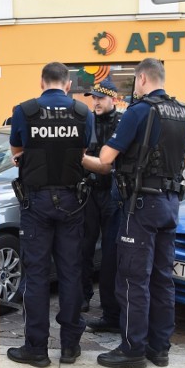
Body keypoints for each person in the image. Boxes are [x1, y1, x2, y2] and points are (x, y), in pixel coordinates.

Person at [83, 58, 185, 368]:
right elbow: (183, 162)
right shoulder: (181, 112)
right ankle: (159, 349)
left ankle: (133, 349)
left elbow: (105, 160)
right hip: (170, 203)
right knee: (162, 279)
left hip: (141, 205)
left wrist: (79, 158)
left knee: (133, 279)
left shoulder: (139, 111)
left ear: (142, 78)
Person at [7, 62, 92, 367]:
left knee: (37, 275)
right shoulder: (83, 113)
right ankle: (69, 347)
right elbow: (84, 151)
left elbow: (16, 150)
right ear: (68, 84)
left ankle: (36, 349)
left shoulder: (24, 111)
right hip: (72, 201)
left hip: (37, 202)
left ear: (42, 82)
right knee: (70, 274)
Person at [80, 78, 123, 334]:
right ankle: (83, 297)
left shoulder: (122, 123)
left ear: (113, 99)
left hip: (113, 195)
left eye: (100, 98)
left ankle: (110, 309)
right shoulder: (88, 122)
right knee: (83, 248)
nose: (95, 102)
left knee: (110, 255)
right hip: (90, 193)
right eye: (93, 97)